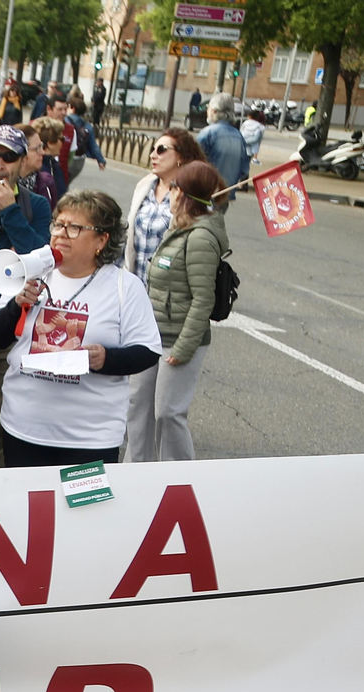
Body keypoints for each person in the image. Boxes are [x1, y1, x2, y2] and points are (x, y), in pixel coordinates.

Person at [0, 189, 162, 467]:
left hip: (89, 439)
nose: (61, 233)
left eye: (75, 227)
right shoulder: (32, 272)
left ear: (102, 240)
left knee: (85, 510)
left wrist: (105, 358)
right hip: (24, 428)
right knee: (29, 509)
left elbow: (148, 351)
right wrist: (16, 306)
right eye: (58, 225)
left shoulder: (124, 287)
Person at [128, 161, 226, 464]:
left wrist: (183, 348)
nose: (167, 192)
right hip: (152, 334)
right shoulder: (179, 227)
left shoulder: (200, 238)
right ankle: (135, 471)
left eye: (173, 187)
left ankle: (180, 477)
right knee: (137, 406)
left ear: (181, 193)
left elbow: (202, 300)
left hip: (178, 338)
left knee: (168, 413)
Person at [124, 127, 201, 276]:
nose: (153, 155)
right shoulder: (144, 187)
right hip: (136, 284)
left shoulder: (193, 193)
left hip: (168, 289)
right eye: (153, 150)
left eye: (161, 150)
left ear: (181, 156)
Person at [196, 96, 247, 211]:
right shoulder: (239, 136)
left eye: (208, 108)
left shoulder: (207, 133)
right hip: (225, 194)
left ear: (214, 111)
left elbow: (193, 162)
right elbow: (244, 170)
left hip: (204, 192)